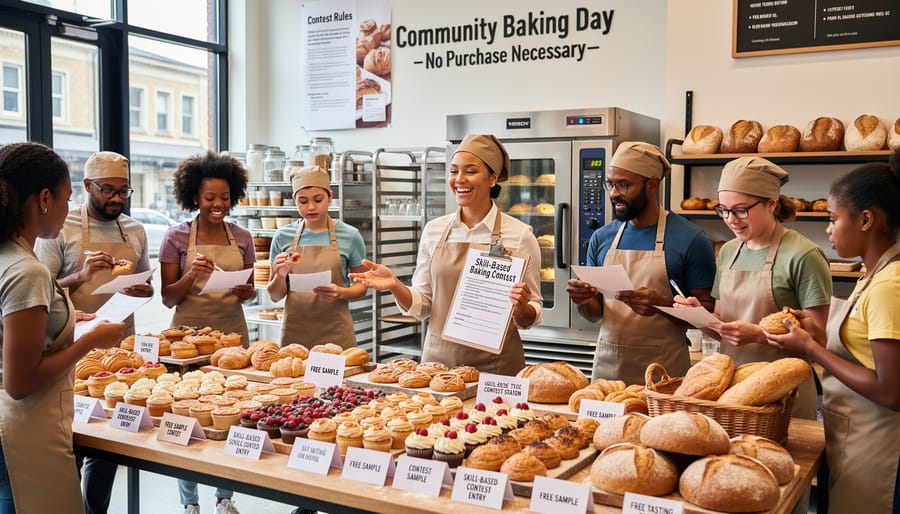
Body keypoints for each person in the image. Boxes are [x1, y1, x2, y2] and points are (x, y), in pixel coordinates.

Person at [765, 149, 900, 514]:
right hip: (852, 436)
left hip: (880, 444)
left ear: (866, 220)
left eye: (833, 218)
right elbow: (861, 351)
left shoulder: (889, 285)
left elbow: (891, 390)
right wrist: (815, 334)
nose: (828, 229)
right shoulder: (871, 275)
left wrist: (812, 349)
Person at [350, 134, 542, 375]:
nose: (459, 179)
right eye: (453, 171)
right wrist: (395, 286)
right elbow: (423, 305)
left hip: (497, 369)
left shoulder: (520, 235)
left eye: (470, 171)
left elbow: (534, 307)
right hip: (439, 368)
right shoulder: (434, 231)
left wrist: (522, 311)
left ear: (493, 178)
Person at [0, 142, 124, 513]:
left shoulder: (7, 255)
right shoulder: (28, 271)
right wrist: (91, 341)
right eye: (67, 199)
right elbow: (20, 382)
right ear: (43, 199)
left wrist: (66, 322)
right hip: (23, 430)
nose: (68, 208)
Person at [34, 151, 153, 514]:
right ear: (87, 186)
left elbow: (148, 285)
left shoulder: (135, 230)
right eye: (107, 190)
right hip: (70, 351)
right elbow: (39, 290)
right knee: (70, 443)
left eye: (123, 190)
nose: (116, 198)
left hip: (120, 353)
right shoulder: (59, 228)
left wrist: (142, 289)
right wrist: (81, 276)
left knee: (109, 445)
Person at [675, 156, 831, 419]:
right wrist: (699, 315)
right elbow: (723, 324)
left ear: (771, 204)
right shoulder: (728, 252)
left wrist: (758, 335)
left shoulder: (803, 255)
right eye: (723, 210)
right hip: (733, 389)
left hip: (785, 393)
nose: (730, 220)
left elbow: (819, 339)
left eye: (740, 210)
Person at [566, 142, 716, 384]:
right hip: (609, 371)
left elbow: (707, 315)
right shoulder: (601, 239)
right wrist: (583, 300)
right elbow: (596, 314)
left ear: (652, 185)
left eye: (624, 184)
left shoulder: (691, 240)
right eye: (610, 184)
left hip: (664, 374)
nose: (614, 193)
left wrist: (661, 305)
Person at [159, 151, 254, 514]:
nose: (218, 204)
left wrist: (245, 291)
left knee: (231, 417)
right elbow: (168, 297)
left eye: (225, 197)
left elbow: (250, 290)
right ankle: (189, 502)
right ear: (194, 197)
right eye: (210, 197)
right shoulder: (176, 237)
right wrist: (191, 276)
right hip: (187, 342)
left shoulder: (242, 237)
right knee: (187, 416)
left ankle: (224, 497)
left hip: (232, 336)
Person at [266, 166, 368, 348]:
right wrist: (280, 277)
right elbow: (274, 296)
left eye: (318, 199)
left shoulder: (350, 236)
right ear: (294, 200)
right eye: (303, 201)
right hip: (295, 334)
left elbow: (362, 286)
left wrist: (341, 292)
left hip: (336, 332)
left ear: (330, 197)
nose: (311, 207)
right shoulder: (282, 237)